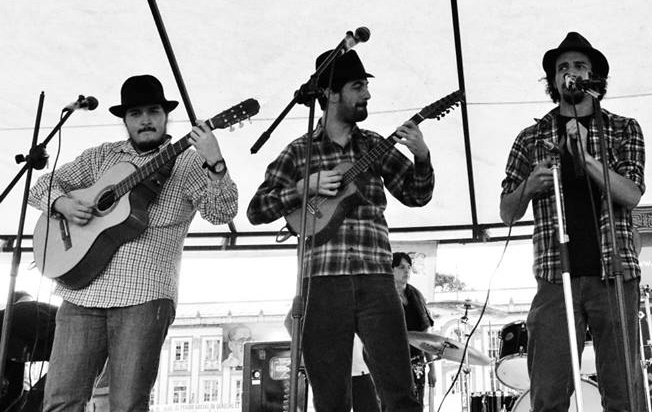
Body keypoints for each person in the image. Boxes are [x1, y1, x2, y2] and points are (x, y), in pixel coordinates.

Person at [27, 74, 238, 412]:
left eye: (153, 111)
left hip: (144, 297)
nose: (145, 120)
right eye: (136, 113)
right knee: (59, 402)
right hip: (81, 295)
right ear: (125, 120)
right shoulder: (102, 157)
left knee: (127, 405)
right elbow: (40, 186)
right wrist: (62, 203)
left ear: (165, 115)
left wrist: (215, 162)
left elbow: (222, 211)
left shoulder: (187, 162)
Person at [247, 49, 433, 412]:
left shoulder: (375, 145)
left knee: (400, 393)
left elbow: (416, 194)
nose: (367, 95)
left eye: (365, 86)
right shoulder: (300, 151)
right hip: (321, 281)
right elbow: (257, 211)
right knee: (330, 399)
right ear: (331, 94)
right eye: (357, 86)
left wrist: (423, 156)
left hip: (377, 278)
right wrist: (303, 188)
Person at [499, 32, 645, 412]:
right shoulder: (530, 137)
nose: (570, 72)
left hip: (615, 274)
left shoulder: (623, 129)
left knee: (624, 392)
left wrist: (586, 157)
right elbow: (507, 212)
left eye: (579, 65)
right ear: (553, 82)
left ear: (595, 77)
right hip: (554, 277)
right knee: (548, 391)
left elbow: (630, 194)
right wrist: (530, 185)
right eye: (562, 67)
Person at [392, 252, 434, 406]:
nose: (406, 271)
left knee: (417, 405)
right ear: (391, 270)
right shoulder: (384, 296)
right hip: (391, 364)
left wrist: (432, 367)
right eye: (401, 267)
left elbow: (426, 335)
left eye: (409, 267)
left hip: (417, 363)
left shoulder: (416, 295)